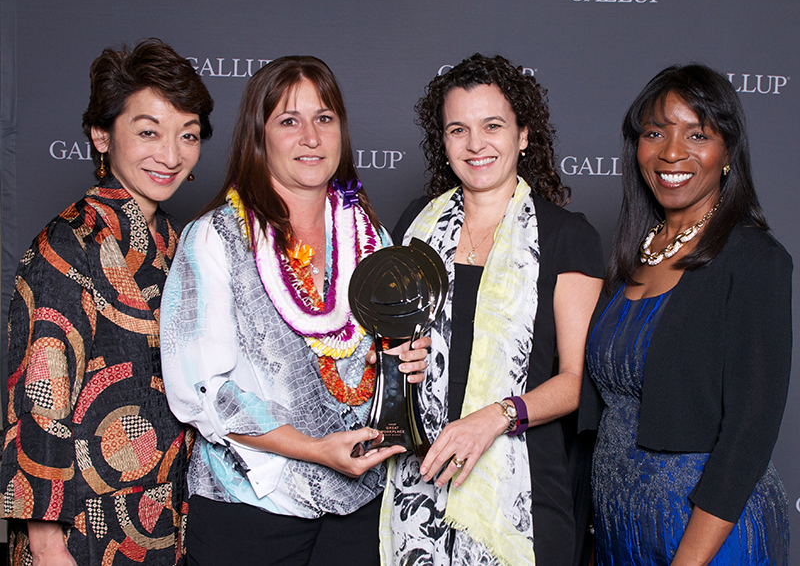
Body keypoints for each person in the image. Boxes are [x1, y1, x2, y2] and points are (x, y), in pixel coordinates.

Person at [159, 56, 429, 566]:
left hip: (360, 510)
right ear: (259, 137)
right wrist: (314, 449)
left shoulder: (371, 239)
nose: (311, 136)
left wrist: (405, 364)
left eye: (324, 118)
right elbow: (203, 390)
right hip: (252, 510)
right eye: (289, 120)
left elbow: (381, 363)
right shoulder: (217, 238)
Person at [383, 54, 604, 566]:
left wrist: (493, 418)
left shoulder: (567, 237)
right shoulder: (417, 222)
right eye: (457, 129)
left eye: (492, 126)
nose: (475, 144)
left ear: (523, 135)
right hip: (418, 483)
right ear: (443, 141)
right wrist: (399, 360)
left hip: (523, 487)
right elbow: (391, 351)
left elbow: (574, 381)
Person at [1, 39, 214, 566]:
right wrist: (48, 547)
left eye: (187, 136)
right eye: (148, 132)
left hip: (168, 516)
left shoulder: (178, 242)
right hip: (83, 527)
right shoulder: (67, 246)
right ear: (102, 135)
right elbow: (38, 409)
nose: (171, 155)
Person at [580, 64, 791, 565]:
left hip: (706, 534)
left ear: (727, 154)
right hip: (620, 525)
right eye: (655, 133)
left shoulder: (756, 260)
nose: (671, 152)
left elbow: (749, 433)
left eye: (697, 134)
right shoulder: (634, 253)